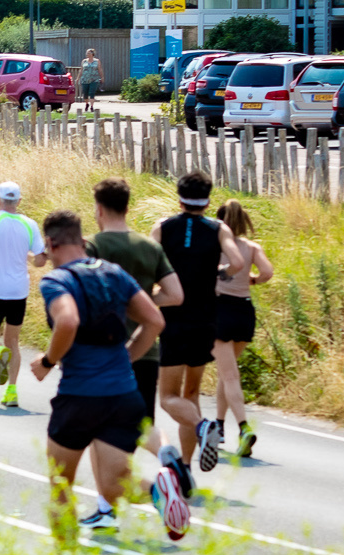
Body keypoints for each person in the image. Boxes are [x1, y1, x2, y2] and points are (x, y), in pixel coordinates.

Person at [29, 209, 182, 543]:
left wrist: (47, 360)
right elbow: (155, 321)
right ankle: (159, 492)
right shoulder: (115, 274)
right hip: (123, 394)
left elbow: (67, 321)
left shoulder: (57, 281)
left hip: (80, 395)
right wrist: (127, 357)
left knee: (60, 486)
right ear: (83, 241)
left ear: (51, 244)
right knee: (115, 485)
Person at [84, 176, 184, 476]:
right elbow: (175, 295)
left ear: (99, 209)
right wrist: (141, 300)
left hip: (106, 350)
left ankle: (108, 503)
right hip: (146, 348)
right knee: (141, 424)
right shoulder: (148, 247)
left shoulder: (93, 246)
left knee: (101, 428)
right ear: (127, 208)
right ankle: (166, 455)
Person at [155, 171, 246, 485]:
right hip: (206, 317)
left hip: (173, 317)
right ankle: (186, 467)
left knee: (167, 397)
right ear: (208, 200)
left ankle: (203, 427)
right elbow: (236, 263)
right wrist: (218, 272)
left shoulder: (163, 227)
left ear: (179, 197)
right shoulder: (218, 228)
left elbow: (149, 262)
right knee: (190, 393)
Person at [210, 200, 274, 461]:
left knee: (230, 375)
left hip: (220, 310)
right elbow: (268, 272)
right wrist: (253, 280)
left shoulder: (216, 246)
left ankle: (243, 428)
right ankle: (219, 425)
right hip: (244, 311)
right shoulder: (251, 247)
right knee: (228, 372)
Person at [0, 182, 46, 408]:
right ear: (19, 202)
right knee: (14, 341)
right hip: (19, 291)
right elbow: (41, 260)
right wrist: (27, 256)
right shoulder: (29, 223)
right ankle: (12, 392)